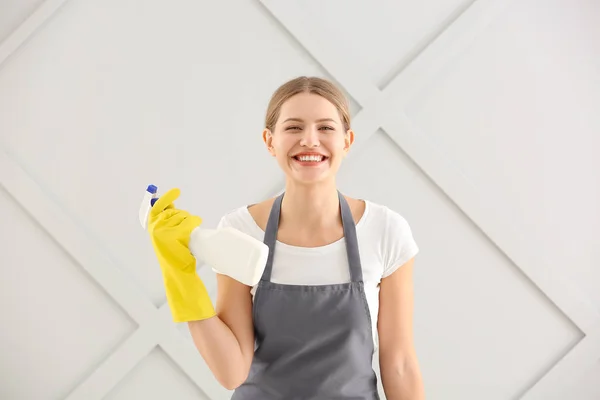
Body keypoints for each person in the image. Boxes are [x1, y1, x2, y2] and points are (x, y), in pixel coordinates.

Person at [147, 76, 425, 399]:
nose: (310, 140)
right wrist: (180, 276)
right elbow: (231, 371)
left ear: (347, 141)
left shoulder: (385, 231)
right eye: (293, 128)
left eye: (326, 128)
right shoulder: (240, 231)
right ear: (270, 141)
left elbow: (400, 363)